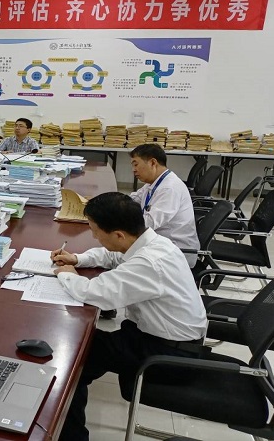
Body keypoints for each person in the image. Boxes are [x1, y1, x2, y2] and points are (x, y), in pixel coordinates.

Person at [50, 192, 206, 441]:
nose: (94, 237)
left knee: (72, 361)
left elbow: (96, 294)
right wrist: (77, 259)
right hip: (162, 339)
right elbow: (113, 255)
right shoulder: (151, 242)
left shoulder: (149, 262)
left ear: (119, 234)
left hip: (167, 356)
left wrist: (66, 273)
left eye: (96, 232)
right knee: (83, 346)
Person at [129, 144, 200, 267]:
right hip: (159, 243)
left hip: (176, 252)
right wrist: (110, 203)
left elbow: (149, 223)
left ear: (153, 163)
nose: (133, 170)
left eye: (136, 164)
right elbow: (133, 199)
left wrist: (117, 221)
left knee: (118, 255)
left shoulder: (169, 188)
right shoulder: (155, 182)